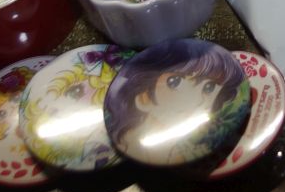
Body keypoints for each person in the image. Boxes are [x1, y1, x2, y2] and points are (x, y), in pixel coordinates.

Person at [104, 41, 250, 167]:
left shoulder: (187, 152)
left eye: (209, 87)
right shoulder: (125, 144)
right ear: (144, 96)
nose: (196, 100)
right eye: (175, 82)